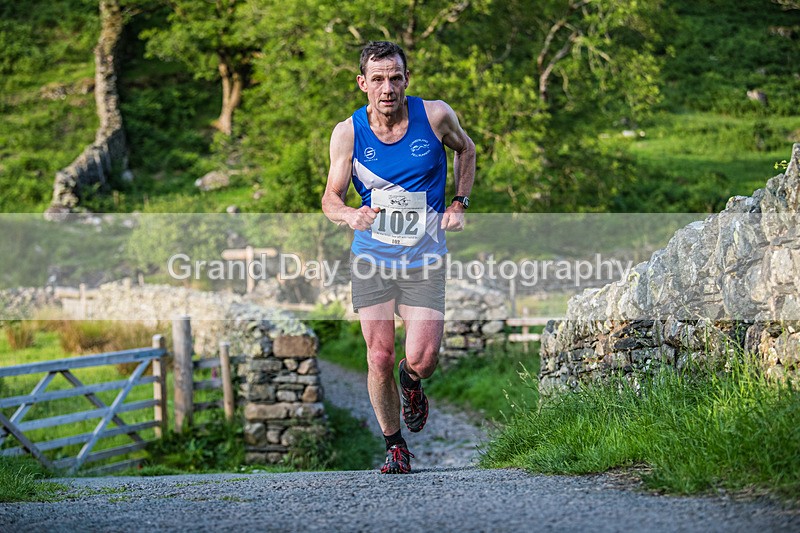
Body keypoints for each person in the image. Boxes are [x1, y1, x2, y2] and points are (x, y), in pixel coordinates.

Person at [322, 41, 475, 474]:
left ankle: (412, 384)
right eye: (377, 79)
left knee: (422, 359)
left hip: (425, 258)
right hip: (372, 257)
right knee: (379, 356)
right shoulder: (348, 133)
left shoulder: (435, 116)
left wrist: (459, 202)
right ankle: (394, 446)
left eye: (395, 77)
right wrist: (351, 214)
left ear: (406, 78)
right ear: (362, 84)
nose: (387, 87)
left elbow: (467, 149)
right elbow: (330, 199)